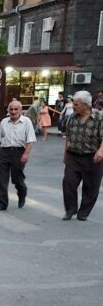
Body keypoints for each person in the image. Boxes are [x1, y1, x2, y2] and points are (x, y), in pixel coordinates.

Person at [60, 90, 103, 221]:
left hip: (92, 157)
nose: (73, 106)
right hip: (73, 156)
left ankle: (83, 212)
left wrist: (101, 151)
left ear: (85, 105)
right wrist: (65, 153)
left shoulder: (99, 117)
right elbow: (68, 136)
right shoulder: (72, 117)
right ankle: (70, 210)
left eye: (76, 104)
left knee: (91, 186)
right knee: (68, 182)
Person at [0, 100, 35, 211]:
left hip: (18, 152)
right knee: (1, 180)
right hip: (4, 152)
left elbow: (30, 140)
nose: (13, 111)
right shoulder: (4, 122)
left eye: (16, 109)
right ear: (8, 110)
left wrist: (26, 154)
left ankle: (22, 193)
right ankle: (2, 204)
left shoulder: (26, 122)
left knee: (17, 179)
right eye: (11, 109)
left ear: (20, 110)